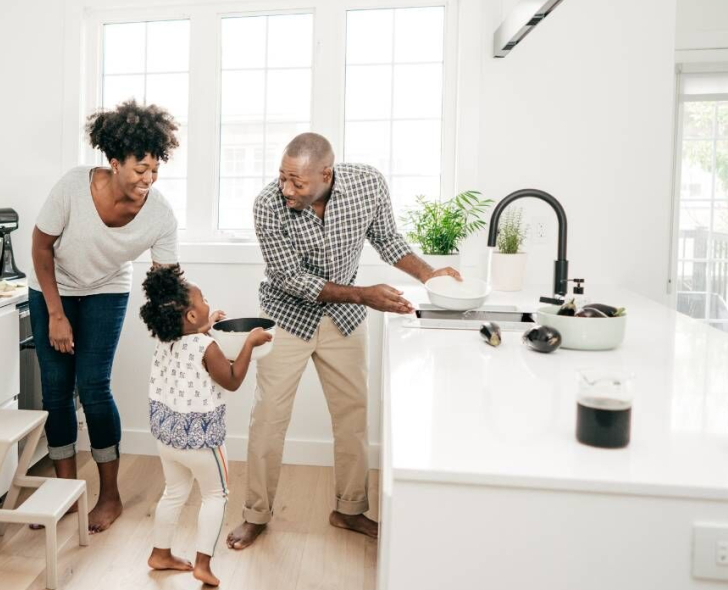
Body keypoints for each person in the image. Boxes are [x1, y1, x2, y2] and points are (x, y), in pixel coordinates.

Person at [226, 132, 461, 550]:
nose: (286, 189)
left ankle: (349, 510)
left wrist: (429, 274)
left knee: (353, 416)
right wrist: (363, 294)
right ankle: (256, 514)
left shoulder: (367, 184)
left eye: (297, 182)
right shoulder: (268, 205)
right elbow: (290, 278)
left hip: (344, 319)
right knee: (268, 419)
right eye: (282, 177)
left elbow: (387, 239)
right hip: (287, 316)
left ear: (326, 174)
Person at [29, 99, 181, 533]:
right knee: (56, 390)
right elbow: (40, 247)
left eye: (155, 169)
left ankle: (109, 496)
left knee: (93, 387)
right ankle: (64, 492)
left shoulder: (160, 215)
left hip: (107, 288)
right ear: (115, 163)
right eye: (140, 169)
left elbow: (165, 283)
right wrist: (56, 314)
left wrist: (187, 325)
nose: (148, 179)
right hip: (53, 286)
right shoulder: (73, 188)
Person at [138, 266, 271, 586]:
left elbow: (190, 355)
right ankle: (203, 564)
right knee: (216, 495)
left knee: (173, 493)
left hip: (168, 436)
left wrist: (207, 325)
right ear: (191, 316)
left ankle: (160, 553)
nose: (208, 302)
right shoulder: (206, 347)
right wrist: (249, 344)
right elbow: (232, 380)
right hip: (201, 441)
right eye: (204, 300)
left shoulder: (165, 339)